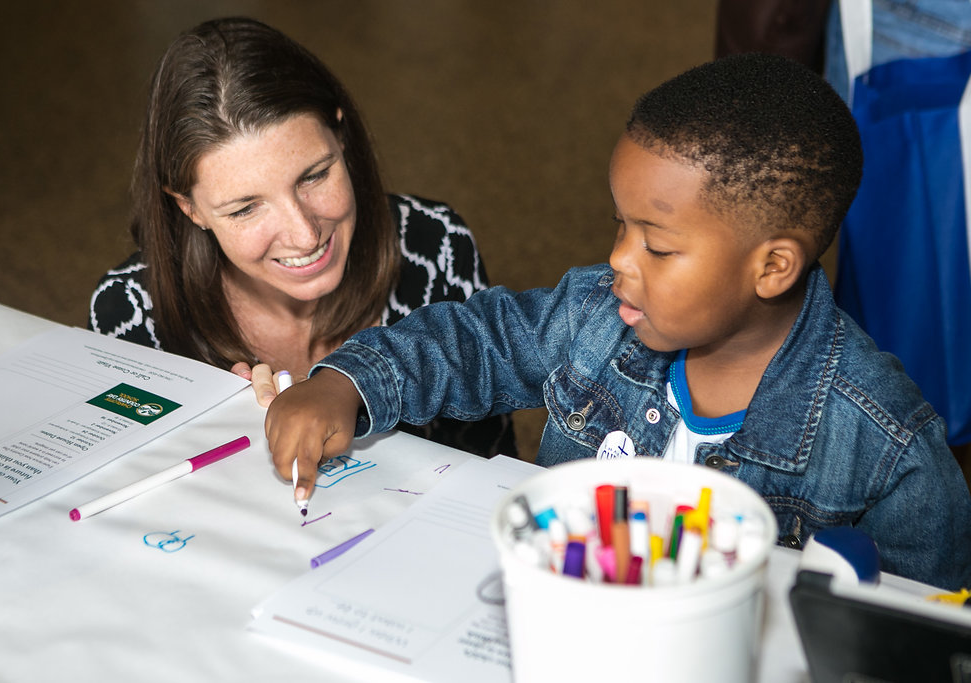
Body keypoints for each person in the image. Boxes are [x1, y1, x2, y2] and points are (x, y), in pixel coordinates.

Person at [265, 53, 971, 590]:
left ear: (773, 267)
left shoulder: (888, 448)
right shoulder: (598, 316)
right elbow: (477, 341)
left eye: (657, 247)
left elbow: (917, 630)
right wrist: (347, 384)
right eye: (620, 227)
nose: (618, 261)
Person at [88, 17, 515, 459]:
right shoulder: (131, 313)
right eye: (245, 208)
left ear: (340, 133)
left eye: (314, 176)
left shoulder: (436, 245)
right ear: (189, 207)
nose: (305, 234)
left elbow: (493, 467)